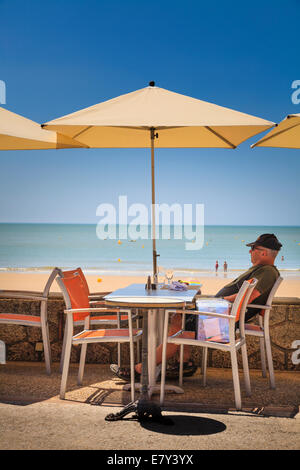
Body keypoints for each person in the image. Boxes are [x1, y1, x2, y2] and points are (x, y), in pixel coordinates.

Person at [110, 233, 282, 381]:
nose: (250, 252)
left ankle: (142, 370)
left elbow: (243, 298)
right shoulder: (263, 270)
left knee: (177, 330)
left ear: (264, 252)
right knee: (178, 316)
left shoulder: (267, 271)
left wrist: (215, 302)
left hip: (222, 320)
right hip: (221, 314)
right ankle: (184, 364)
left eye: (253, 249)